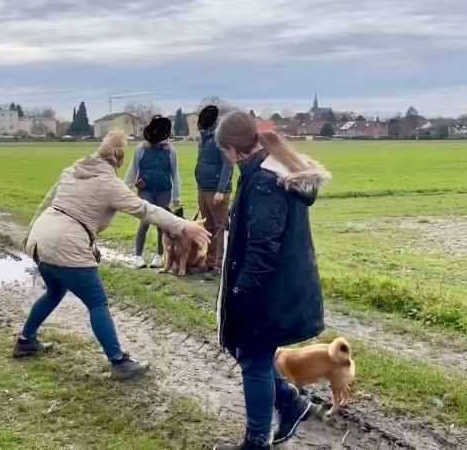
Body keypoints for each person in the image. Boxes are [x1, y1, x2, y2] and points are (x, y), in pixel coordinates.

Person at [18, 129, 210, 379]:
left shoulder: (72, 170)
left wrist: (30, 235)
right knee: (97, 301)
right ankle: (119, 361)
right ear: (118, 160)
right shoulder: (110, 183)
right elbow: (145, 210)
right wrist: (185, 226)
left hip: (41, 238)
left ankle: (25, 341)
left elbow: (62, 207)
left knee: (55, 291)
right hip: (66, 244)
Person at [213, 111, 331, 450]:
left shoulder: (265, 183)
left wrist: (240, 289)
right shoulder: (264, 172)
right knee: (250, 353)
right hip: (279, 287)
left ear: (234, 151)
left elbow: (263, 248)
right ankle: (292, 405)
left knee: (252, 359)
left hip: (270, 292)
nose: (225, 158)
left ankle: (256, 441)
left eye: (225, 153)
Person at [123, 116, 182, 269]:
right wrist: (124, 189)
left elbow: (175, 173)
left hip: (163, 191)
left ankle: (159, 256)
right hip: (146, 190)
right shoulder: (141, 148)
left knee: (162, 224)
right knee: (145, 222)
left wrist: (176, 195)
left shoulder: (171, 151)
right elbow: (132, 169)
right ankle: (138, 257)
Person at [194, 105, 233, 276]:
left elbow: (228, 164)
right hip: (203, 188)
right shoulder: (204, 136)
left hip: (216, 190)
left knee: (220, 227)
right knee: (208, 226)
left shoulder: (221, 137)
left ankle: (220, 264)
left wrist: (221, 190)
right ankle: (209, 262)